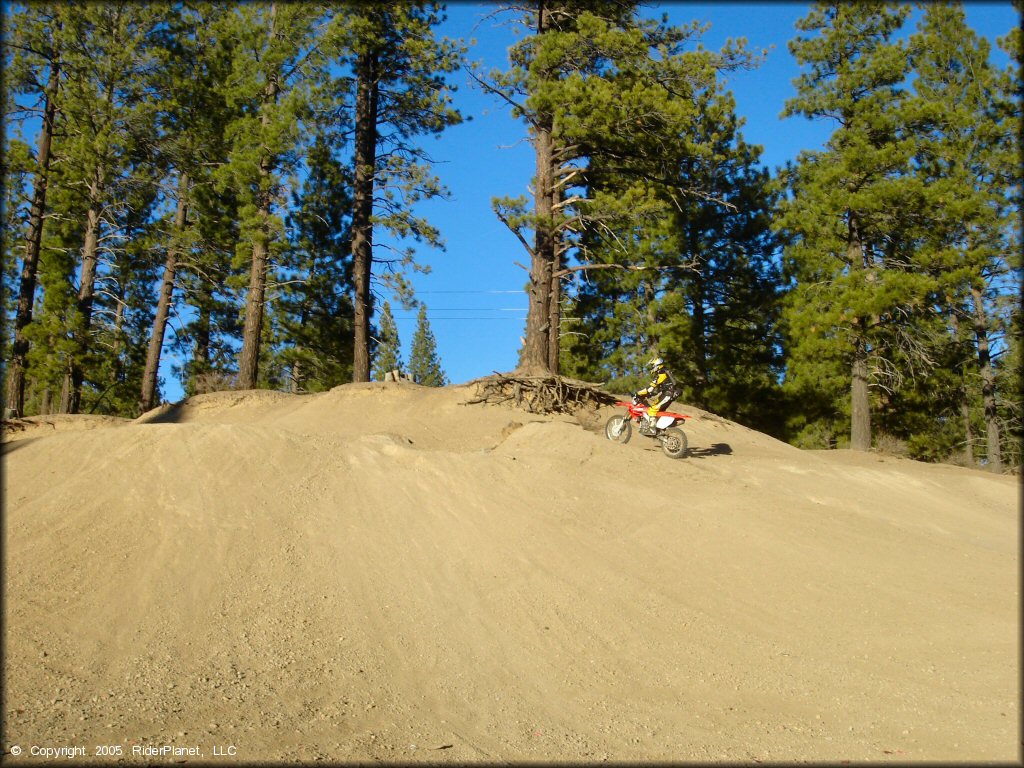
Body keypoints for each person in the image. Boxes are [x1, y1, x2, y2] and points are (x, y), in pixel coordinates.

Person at [634, 357, 678, 433]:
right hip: (667, 394)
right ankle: (659, 429)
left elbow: (650, 388)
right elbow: (655, 389)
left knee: (652, 409)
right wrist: (650, 394)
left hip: (668, 394)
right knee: (655, 407)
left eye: (652, 366)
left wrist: (638, 393)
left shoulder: (661, 373)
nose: (651, 368)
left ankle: (652, 430)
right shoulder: (664, 372)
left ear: (657, 365)